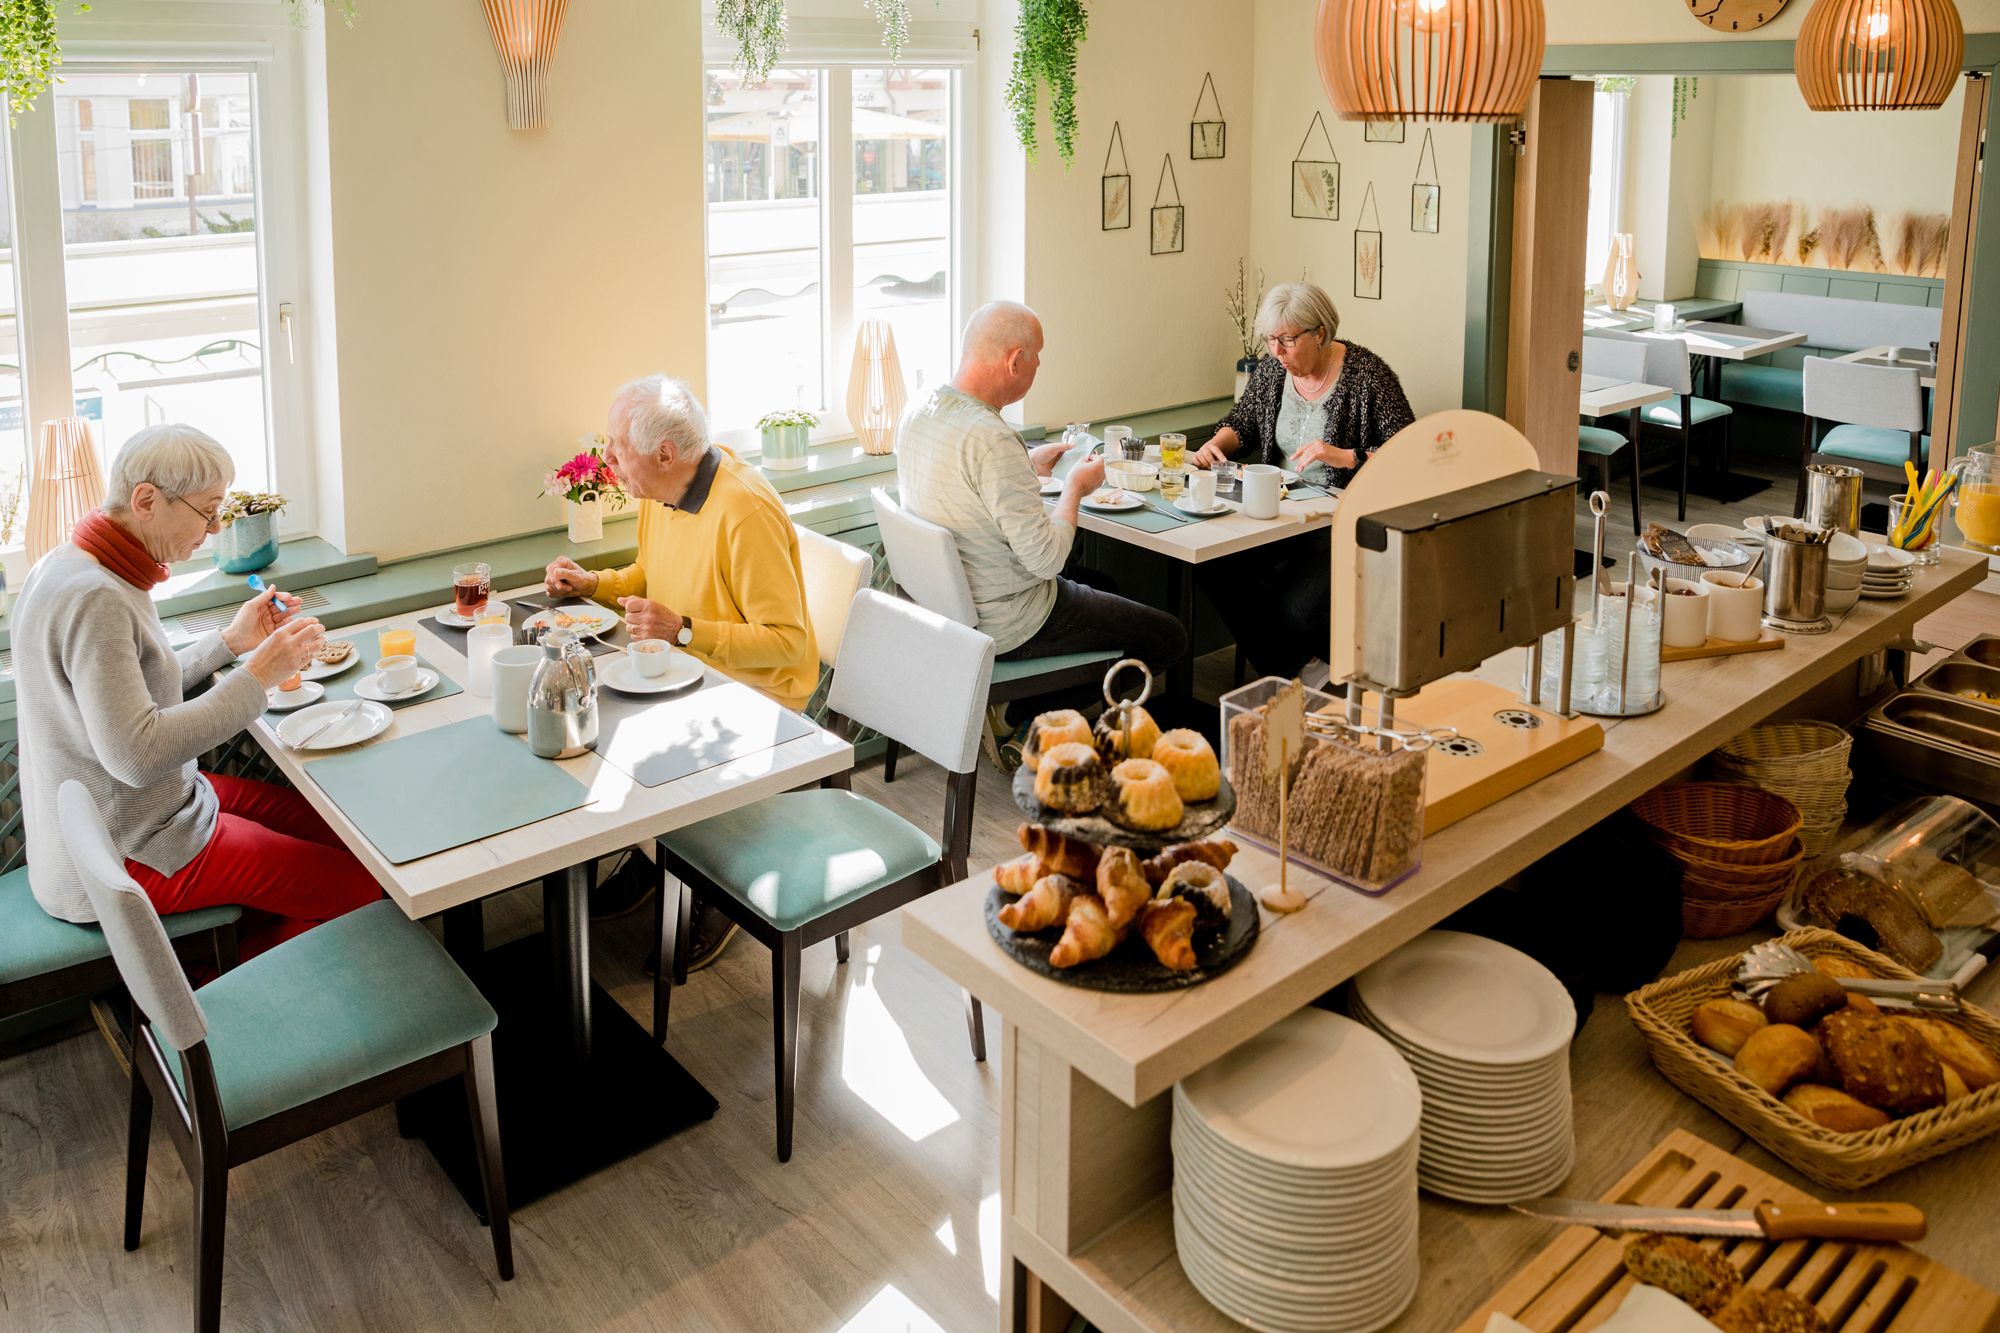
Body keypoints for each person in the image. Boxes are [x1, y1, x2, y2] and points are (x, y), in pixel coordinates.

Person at [14, 425, 380, 959]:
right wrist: (257, 676)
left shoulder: (78, 563)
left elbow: (132, 690)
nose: (212, 529)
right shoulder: (95, 597)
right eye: (207, 510)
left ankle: (256, 946)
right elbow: (136, 756)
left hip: (149, 812)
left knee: (339, 828)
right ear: (146, 499)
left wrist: (232, 642)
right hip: (128, 847)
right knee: (371, 888)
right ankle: (222, 997)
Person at [544, 374, 818, 970]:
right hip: (686, 673)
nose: (608, 458)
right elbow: (649, 574)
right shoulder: (661, 496)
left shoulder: (744, 511)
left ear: (665, 453)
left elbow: (789, 644)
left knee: (615, 738)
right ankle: (656, 857)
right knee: (589, 725)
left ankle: (718, 888)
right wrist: (593, 584)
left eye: (619, 447)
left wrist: (684, 630)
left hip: (760, 697)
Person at [897, 300, 1187, 709]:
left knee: (1103, 586)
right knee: (1168, 637)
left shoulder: (919, 410)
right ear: (1015, 361)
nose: (1039, 366)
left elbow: (967, 491)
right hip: (1009, 621)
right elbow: (1047, 561)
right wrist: (1074, 487)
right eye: (1037, 357)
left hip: (946, 609)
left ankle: (1036, 716)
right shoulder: (993, 438)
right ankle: (1030, 719)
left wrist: (1025, 467)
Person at [1193, 282, 1416, 680]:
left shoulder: (1368, 377)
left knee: (1298, 607)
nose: (1276, 352)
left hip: (1339, 523)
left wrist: (1347, 457)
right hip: (1274, 515)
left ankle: (1308, 676)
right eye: (1270, 340)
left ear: (1321, 333)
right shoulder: (1273, 371)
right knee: (1213, 570)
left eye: (1288, 340)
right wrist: (1216, 445)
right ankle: (1305, 672)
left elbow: (1410, 456)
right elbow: (1242, 422)